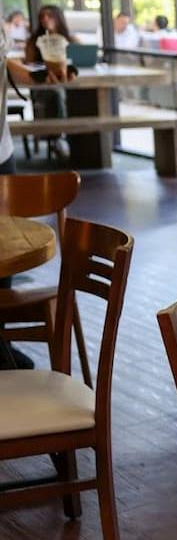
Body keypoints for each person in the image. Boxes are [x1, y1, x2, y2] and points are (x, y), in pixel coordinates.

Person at [0, 24, 77, 369]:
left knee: (4, 260)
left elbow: (3, 63)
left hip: (1, 152)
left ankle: (1, 341)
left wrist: (37, 74)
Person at [25, 4, 78, 160]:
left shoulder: (70, 39)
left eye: (49, 16)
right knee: (57, 93)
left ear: (58, 18)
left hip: (69, 84)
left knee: (78, 95)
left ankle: (75, 141)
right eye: (42, 16)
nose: (45, 19)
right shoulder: (35, 42)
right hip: (42, 86)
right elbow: (28, 65)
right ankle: (59, 137)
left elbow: (80, 58)